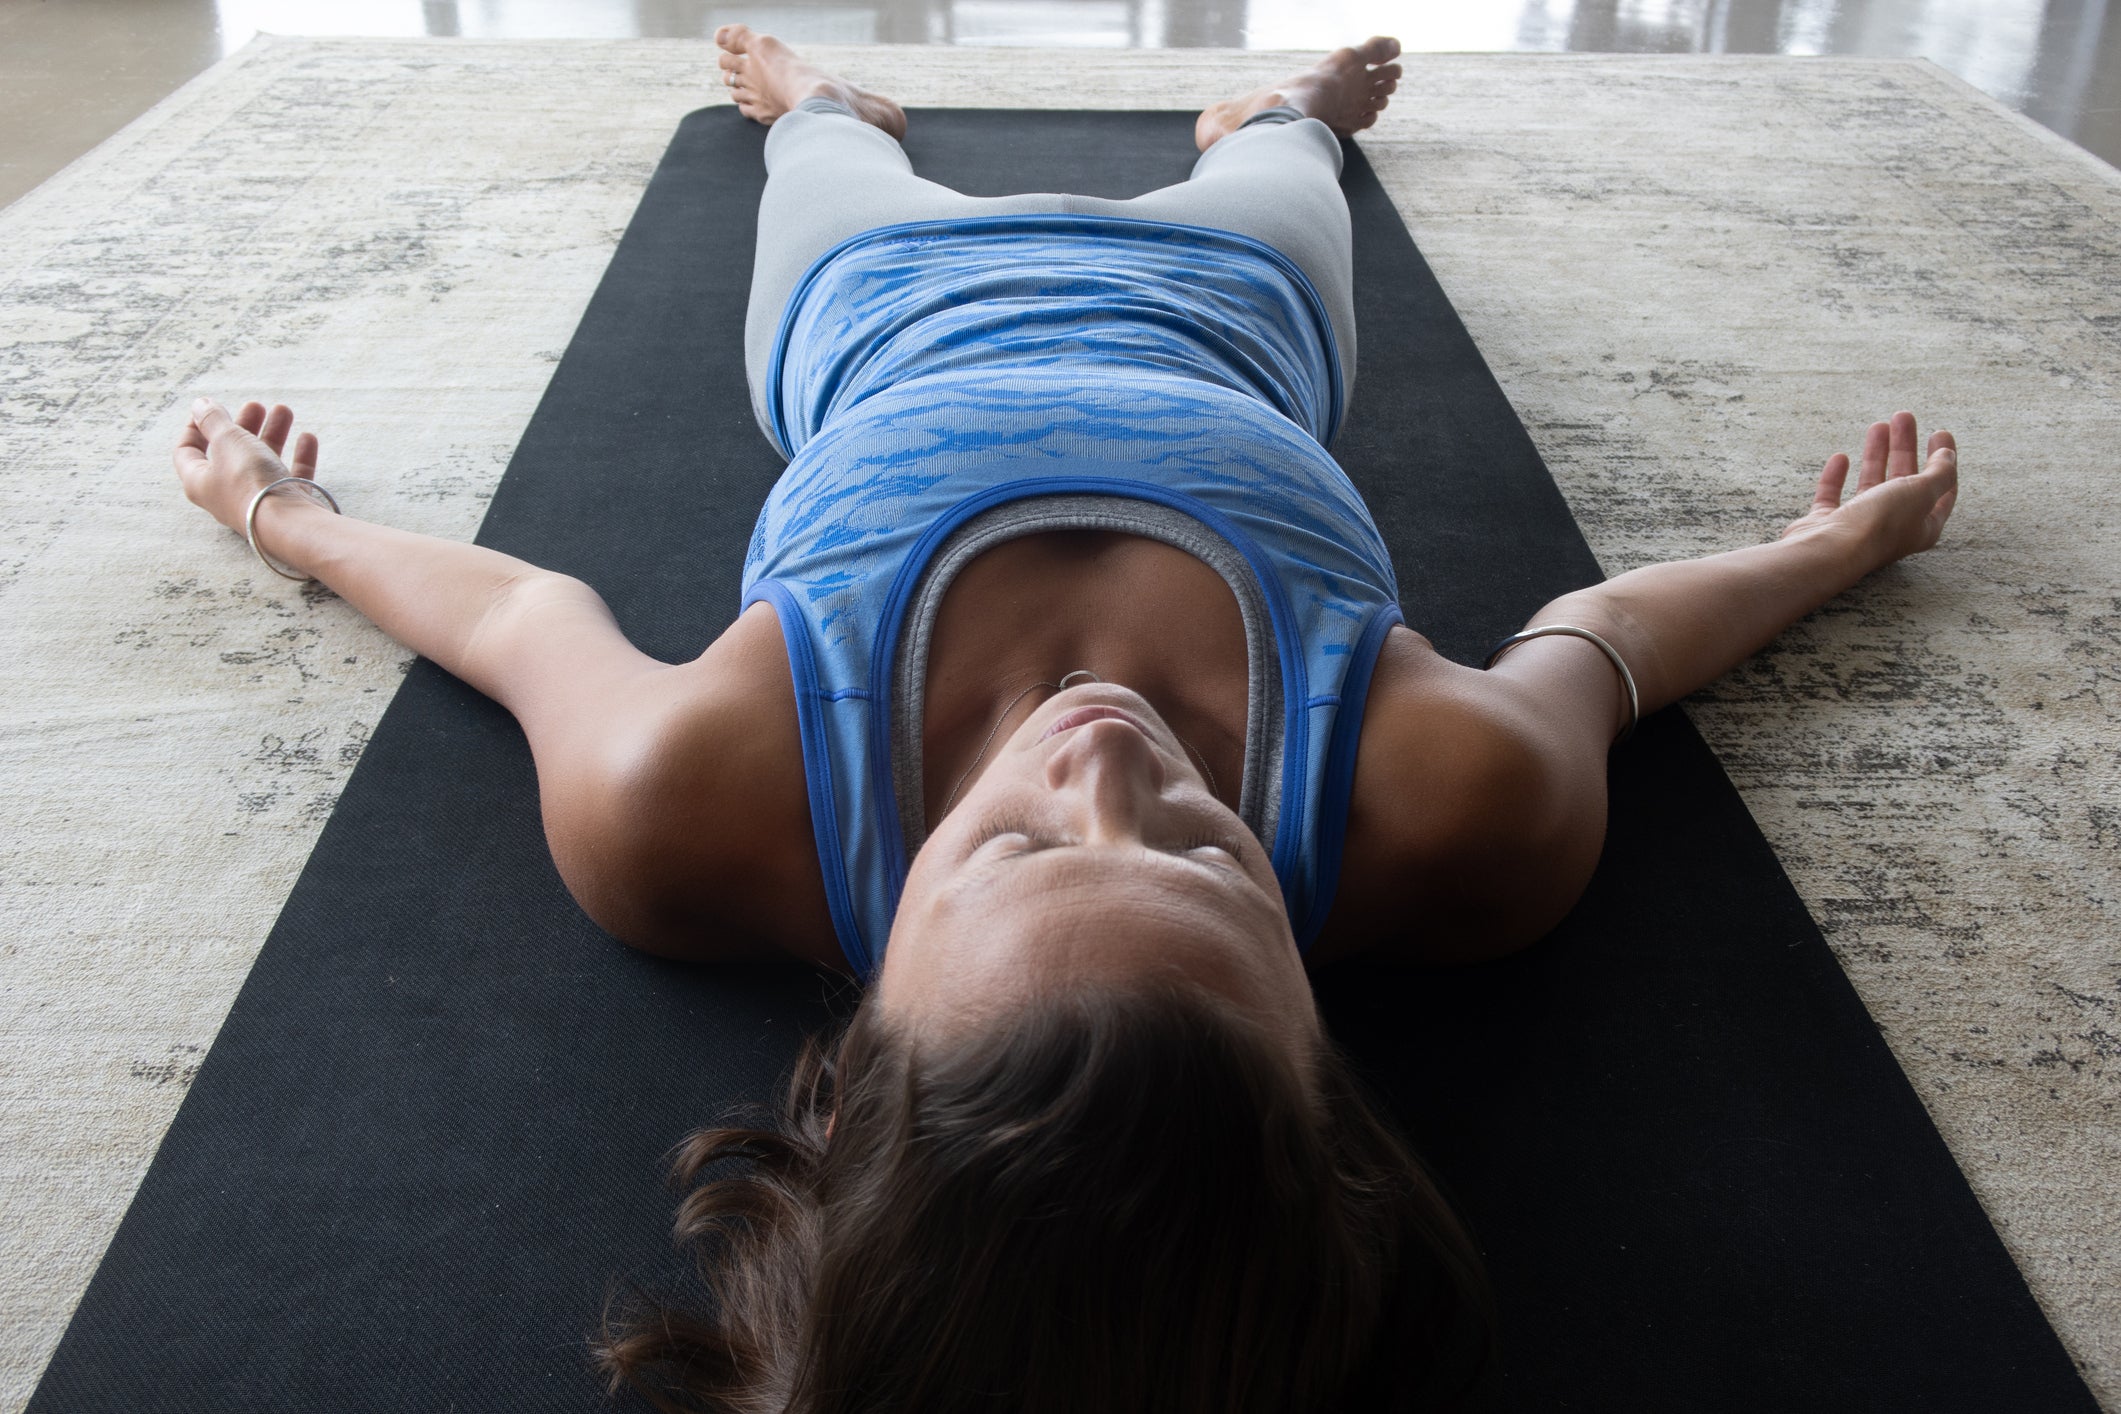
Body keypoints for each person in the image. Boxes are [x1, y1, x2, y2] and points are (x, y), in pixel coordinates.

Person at [172, 29, 1959, 1413]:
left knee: (821, 137)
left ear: (857, 1046)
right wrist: (1828, 548)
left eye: (1017, 843)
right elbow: (1609, 639)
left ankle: (824, 104)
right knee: (1285, 143)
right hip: (1237, 312)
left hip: (873, 309)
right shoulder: (1453, 807)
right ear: (1324, 1051)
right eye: (1209, 852)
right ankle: (1281, 112)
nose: (1107, 752)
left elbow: (525, 618)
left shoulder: (695, 799)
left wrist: (283, 516)